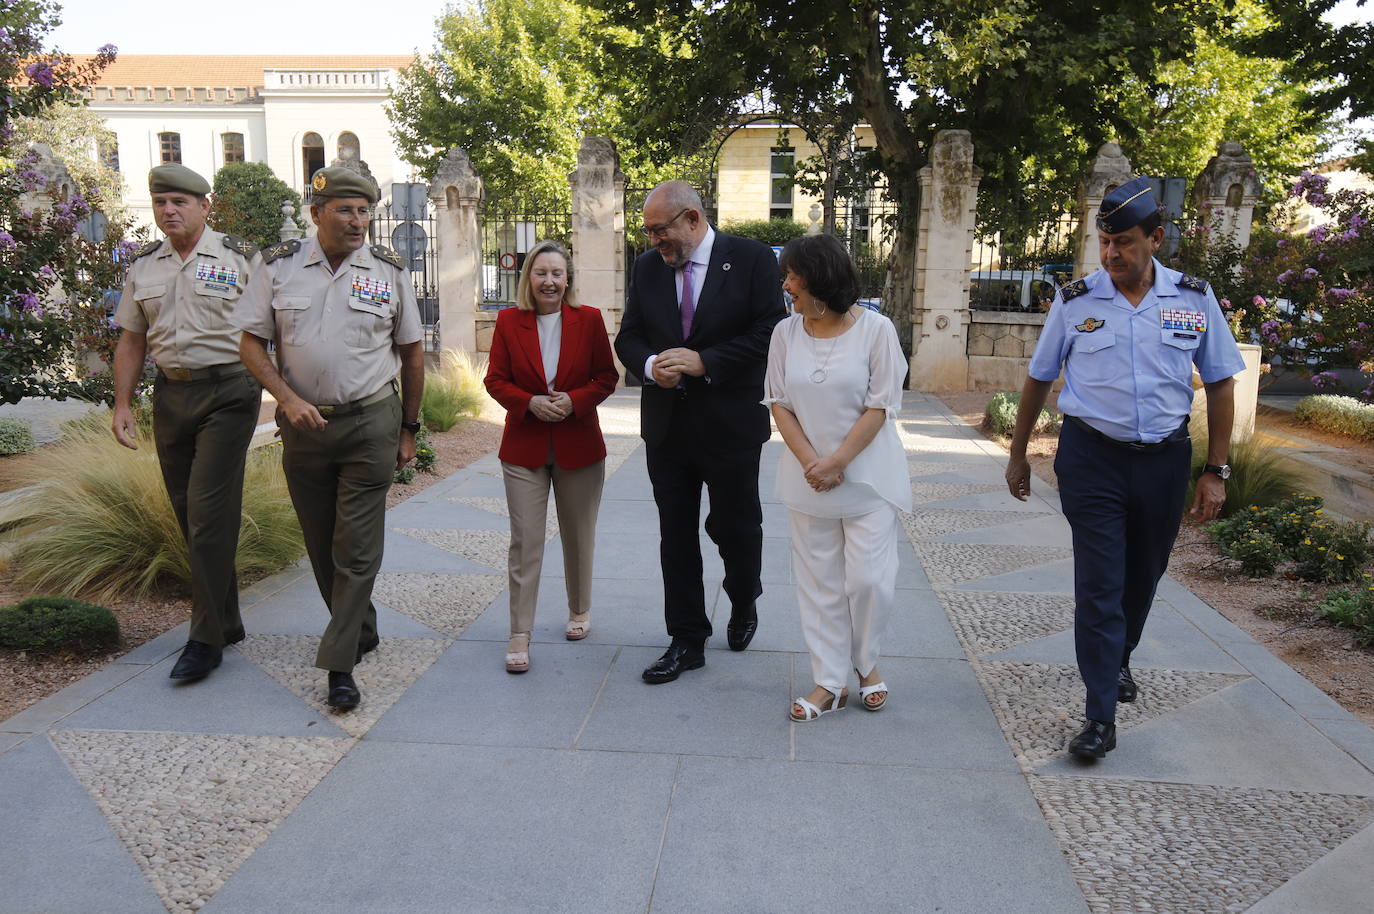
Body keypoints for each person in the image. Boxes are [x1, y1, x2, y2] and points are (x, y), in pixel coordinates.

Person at [1004, 176, 1244, 759]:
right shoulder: (1076, 299)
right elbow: (1039, 377)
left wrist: (1217, 469)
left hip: (1164, 460)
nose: (1112, 254)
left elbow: (1219, 382)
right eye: (1105, 242)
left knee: (1144, 575)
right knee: (1100, 585)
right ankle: (1099, 716)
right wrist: (1017, 453)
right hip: (1092, 460)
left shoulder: (1193, 298)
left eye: (1125, 243)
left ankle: (1121, 656)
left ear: (1156, 238)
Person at [233, 166, 425, 712]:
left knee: (356, 549)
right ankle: (360, 628)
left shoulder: (388, 273)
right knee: (321, 545)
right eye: (344, 210)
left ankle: (339, 664)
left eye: (364, 211)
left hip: (371, 422)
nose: (357, 220)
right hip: (304, 427)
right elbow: (251, 343)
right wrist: (288, 400)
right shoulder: (278, 266)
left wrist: (408, 428)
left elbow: (412, 352)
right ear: (316, 213)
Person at [614, 180, 786, 683]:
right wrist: (650, 365)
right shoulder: (648, 269)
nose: (653, 242)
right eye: (647, 232)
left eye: (659, 230)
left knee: (736, 529)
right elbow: (630, 335)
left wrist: (705, 361)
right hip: (667, 427)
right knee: (676, 536)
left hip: (731, 425)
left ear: (691, 219)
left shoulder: (751, 258)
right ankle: (687, 638)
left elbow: (771, 332)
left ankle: (744, 594)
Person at [111, 164, 262, 682]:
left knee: (206, 513)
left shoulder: (240, 258)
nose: (168, 211)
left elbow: (274, 330)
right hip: (171, 394)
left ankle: (204, 638)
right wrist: (122, 404)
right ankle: (229, 618)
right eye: (160, 203)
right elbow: (131, 338)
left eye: (179, 201)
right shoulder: (143, 266)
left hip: (229, 391)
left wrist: (286, 395)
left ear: (205, 205)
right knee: (186, 511)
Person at [764, 235, 910, 721]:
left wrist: (838, 462)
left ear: (820, 280)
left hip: (867, 479)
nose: (786, 286)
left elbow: (881, 404)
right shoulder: (785, 334)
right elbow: (779, 403)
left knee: (870, 581)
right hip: (809, 480)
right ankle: (829, 681)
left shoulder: (876, 330)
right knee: (820, 585)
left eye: (792, 277)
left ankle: (866, 663)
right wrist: (813, 462)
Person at [483, 240, 618, 673]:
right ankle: (519, 632)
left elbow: (606, 377)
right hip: (525, 446)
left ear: (568, 279)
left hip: (579, 445)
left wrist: (575, 401)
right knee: (526, 541)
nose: (549, 281)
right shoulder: (508, 322)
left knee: (579, 534)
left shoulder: (590, 320)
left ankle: (580, 610)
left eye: (557, 273)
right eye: (541, 273)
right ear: (529, 279)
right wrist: (529, 403)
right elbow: (496, 381)